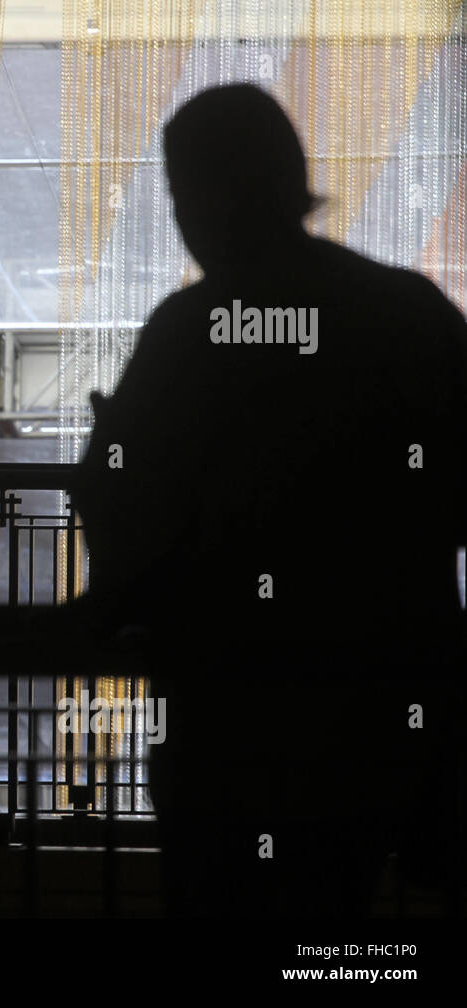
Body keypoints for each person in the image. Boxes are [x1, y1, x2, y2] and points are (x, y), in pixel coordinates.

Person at [72, 84, 467, 915]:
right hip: (388, 716)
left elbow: (127, 507)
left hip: (229, 724)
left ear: (212, 197)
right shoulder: (408, 314)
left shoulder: (191, 334)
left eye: (181, 196)